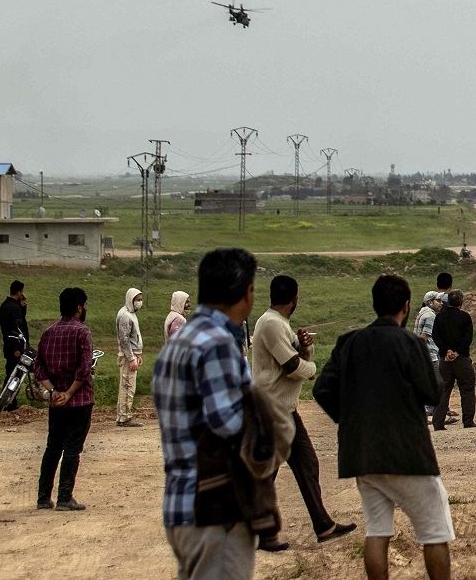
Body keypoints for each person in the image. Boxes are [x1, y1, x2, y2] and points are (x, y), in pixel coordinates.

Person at [314, 275, 451, 580]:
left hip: (363, 454)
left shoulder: (348, 342)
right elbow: (432, 392)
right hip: (408, 455)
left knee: (377, 531)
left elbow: (322, 390)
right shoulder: (409, 343)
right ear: (405, 306)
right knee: (434, 531)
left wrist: (350, 419)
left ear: (375, 305)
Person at [154, 248, 261, 580]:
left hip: (181, 507)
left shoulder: (179, 343)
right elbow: (230, 428)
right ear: (244, 293)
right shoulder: (217, 344)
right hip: (216, 513)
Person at [250, 275, 356, 551]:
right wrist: (312, 368)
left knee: (303, 464)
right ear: (294, 299)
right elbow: (292, 367)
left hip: (281, 408)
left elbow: (294, 357)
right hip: (273, 409)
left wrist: (304, 346)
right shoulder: (272, 324)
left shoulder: (276, 323)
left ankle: (322, 525)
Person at [33, 287, 94, 511]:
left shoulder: (49, 332)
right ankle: (64, 497)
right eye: (84, 305)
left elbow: (38, 367)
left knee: (53, 446)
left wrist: (53, 392)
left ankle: (43, 497)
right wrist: (69, 393)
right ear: (79, 307)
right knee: (72, 448)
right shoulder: (82, 332)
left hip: (55, 401)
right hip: (79, 400)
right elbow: (84, 369)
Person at [431, 290, 475, 430]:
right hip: (461, 359)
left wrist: (446, 351)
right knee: (467, 389)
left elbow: (436, 337)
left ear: (447, 301)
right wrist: (457, 352)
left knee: (444, 391)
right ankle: (468, 421)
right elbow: (467, 338)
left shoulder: (439, 318)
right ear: (461, 302)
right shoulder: (465, 317)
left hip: (445, 360)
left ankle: (438, 423)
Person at [413, 292, 454, 423]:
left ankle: (428, 411)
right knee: (439, 384)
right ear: (430, 302)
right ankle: (440, 416)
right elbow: (425, 336)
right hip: (430, 355)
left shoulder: (422, 312)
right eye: (438, 300)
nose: (441, 303)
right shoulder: (430, 315)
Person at [115, 287, 145, 427]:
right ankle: (124, 417)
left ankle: (123, 416)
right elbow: (124, 340)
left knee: (128, 386)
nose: (140, 302)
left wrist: (138, 354)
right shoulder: (125, 316)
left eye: (140, 299)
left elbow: (134, 337)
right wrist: (132, 358)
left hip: (132, 355)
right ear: (130, 300)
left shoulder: (131, 313)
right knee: (127, 386)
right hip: (128, 357)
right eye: (137, 300)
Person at [0, 280, 29, 411]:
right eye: (22, 292)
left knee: (11, 372)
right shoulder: (13, 308)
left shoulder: (5, 305)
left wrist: (22, 306)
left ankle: (8, 401)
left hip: (8, 344)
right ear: (19, 292)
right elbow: (18, 328)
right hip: (16, 346)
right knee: (15, 373)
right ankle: (9, 403)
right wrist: (17, 348)